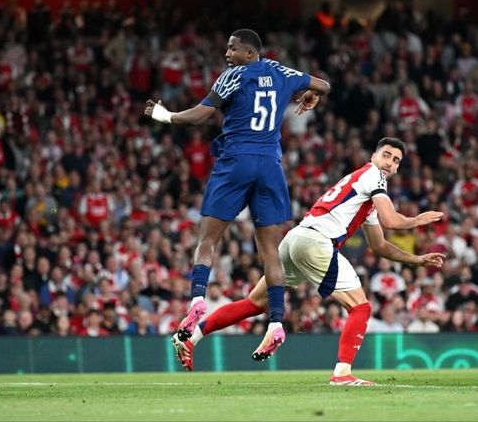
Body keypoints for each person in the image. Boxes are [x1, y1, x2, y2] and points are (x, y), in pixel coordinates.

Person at [174, 137, 445, 386]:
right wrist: (416, 220)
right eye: (386, 155)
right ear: (374, 157)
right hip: (317, 242)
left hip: (296, 239)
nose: (390, 163)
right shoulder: (373, 176)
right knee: (360, 308)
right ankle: (342, 373)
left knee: (255, 303)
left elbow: (379, 245)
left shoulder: (365, 188)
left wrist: (416, 260)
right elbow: (392, 220)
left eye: (396, 160)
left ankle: (190, 338)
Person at [144, 28, 330, 360]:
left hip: (236, 161)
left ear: (249, 53)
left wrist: (165, 115)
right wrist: (309, 95)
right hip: (270, 166)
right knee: (270, 250)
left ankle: (197, 300)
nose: (227, 54)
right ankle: (276, 322)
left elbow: (201, 115)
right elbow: (324, 85)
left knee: (208, 239)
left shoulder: (234, 75)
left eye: (233, 49)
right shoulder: (280, 71)